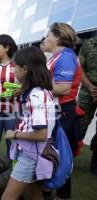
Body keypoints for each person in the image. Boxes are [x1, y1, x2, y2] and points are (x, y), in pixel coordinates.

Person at [1, 46, 56, 200]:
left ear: (25, 69)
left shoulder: (36, 96)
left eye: (15, 67)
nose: (13, 71)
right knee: (35, 192)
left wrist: (15, 134)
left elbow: (41, 134)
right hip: (34, 152)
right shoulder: (38, 92)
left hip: (31, 154)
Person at [44, 22, 82, 200]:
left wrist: (36, 84)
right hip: (56, 111)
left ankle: (63, 196)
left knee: (62, 157)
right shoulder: (56, 56)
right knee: (52, 154)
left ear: (57, 37)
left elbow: (63, 88)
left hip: (64, 113)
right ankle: (49, 189)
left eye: (48, 35)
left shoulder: (65, 56)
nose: (45, 38)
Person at [78, 36, 97, 175]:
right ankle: (68, 157)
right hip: (87, 90)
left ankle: (95, 162)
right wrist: (91, 88)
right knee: (80, 124)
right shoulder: (89, 44)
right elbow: (79, 69)